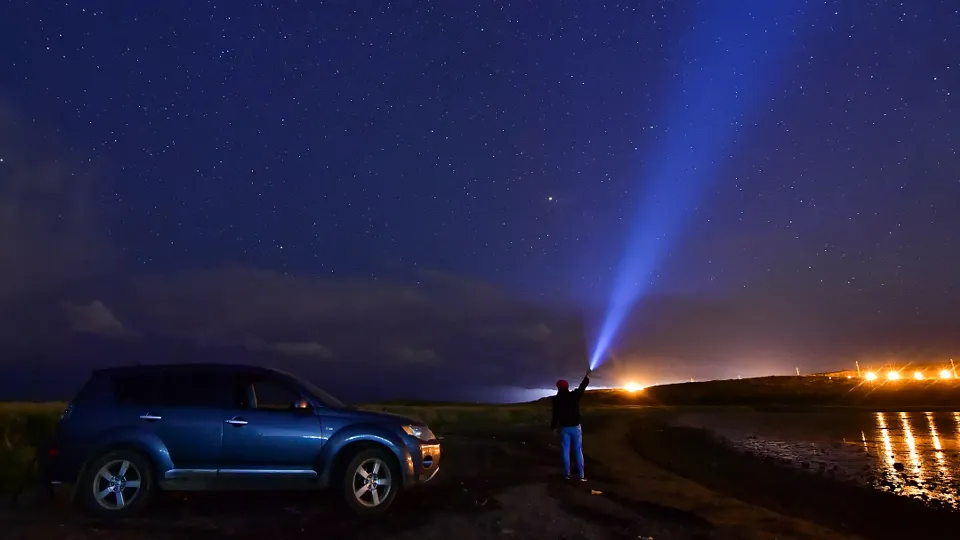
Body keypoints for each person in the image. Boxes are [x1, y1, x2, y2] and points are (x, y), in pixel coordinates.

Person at [551, 368, 591, 481]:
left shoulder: (556, 400)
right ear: (567, 386)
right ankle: (581, 476)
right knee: (578, 450)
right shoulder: (574, 396)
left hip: (564, 428)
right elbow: (582, 387)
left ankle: (566, 475)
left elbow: (555, 415)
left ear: (558, 388)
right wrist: (587, 377)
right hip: (576, 427)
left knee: (565, 450)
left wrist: (553, 428)